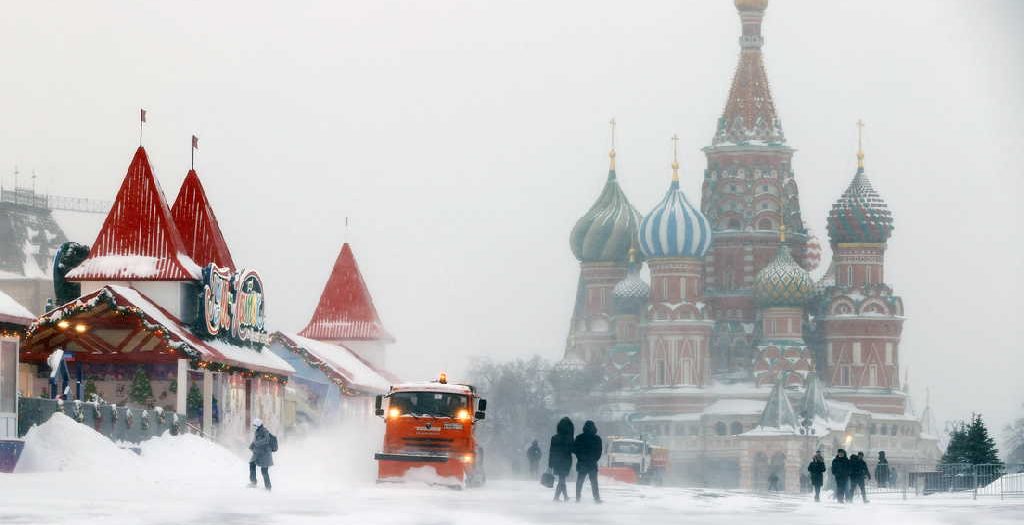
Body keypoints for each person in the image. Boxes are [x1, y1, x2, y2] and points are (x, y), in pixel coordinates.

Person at [573, 420, 603, 503]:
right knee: (594, 482)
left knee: (579, 481)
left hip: (582, 462)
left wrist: (580, 457)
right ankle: (596, 498)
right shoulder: (597, 439)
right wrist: (594, 459)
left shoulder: (579, 438)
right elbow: (599, 452)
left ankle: (577, 497)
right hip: (592, 463)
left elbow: (574, 449)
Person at [548, 417, 574, 502]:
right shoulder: (570, 438)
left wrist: (550, 465)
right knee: (562, 479)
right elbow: (572, 450)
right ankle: (556, 497)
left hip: (557, 461)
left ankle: (565, 496)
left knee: (561, 479)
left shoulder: (554, 438)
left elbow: (551, 451)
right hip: (566, 461)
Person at [248, 418, 273, 490]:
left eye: (255, 425)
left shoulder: (264, 431)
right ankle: (253, 482)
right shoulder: (257, 431)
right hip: (258, 453)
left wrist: (256, 444)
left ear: (258, 425)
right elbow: (255, 440)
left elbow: (266, 440)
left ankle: (268, 487)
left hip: (265, 454)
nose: (254, 427)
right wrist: (251, 446)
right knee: (252, 464)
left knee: (264, 471)